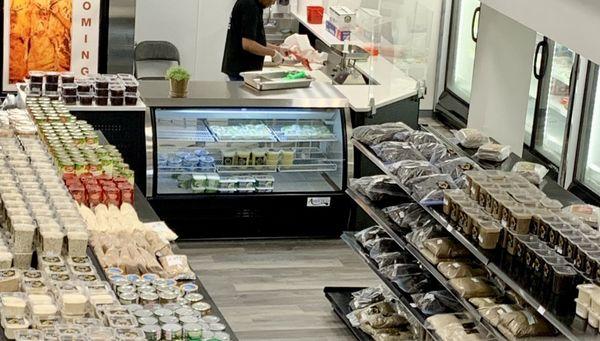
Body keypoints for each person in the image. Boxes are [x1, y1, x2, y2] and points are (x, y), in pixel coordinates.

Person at [222, 0, 288, 81]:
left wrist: (278, 49)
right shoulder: (250, 6)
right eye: (273, 0)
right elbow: (248, 44)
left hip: (240, 68)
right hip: (241, 71)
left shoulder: (254, 5)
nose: (273, 3)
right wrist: (273, 53)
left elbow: (256, 40)